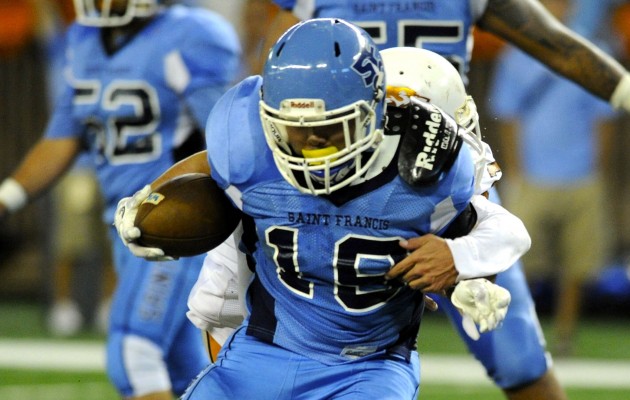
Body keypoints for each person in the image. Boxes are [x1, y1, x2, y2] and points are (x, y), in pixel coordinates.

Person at [115, 18, 530, 398]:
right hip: (265, 346)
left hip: (367, 364)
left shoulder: (427, 166)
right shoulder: (250, 152)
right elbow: (210, 168)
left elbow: (497, 228)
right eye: (298, 129)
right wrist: (150, 197)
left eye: (330, 129)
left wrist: (461, 263)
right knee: (217, 307)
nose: (312, 145)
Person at [243, 1, 630, 398]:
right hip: (334, 177)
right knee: (276, 330)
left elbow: (270, 77)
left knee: (520, 359)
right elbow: (276, 83)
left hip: (443, 173)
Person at [0, 1, 241, 399]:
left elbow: (227, 140)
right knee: (186, 371)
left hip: (174, 224)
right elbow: (62, 136)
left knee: (135, 352)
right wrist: (7, 197)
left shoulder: (192, 35)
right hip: (122, 225)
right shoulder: (83, 39)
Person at [488, 0, 616, 357]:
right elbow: (508, 116)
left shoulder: (594, 51)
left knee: (576, 266)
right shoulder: (516, 55)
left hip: (581, 176)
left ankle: (563, 337)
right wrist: (515, 173)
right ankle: (516, 337)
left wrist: (597, 170)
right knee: (517, 265)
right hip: (533, 178)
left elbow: (602, 120)